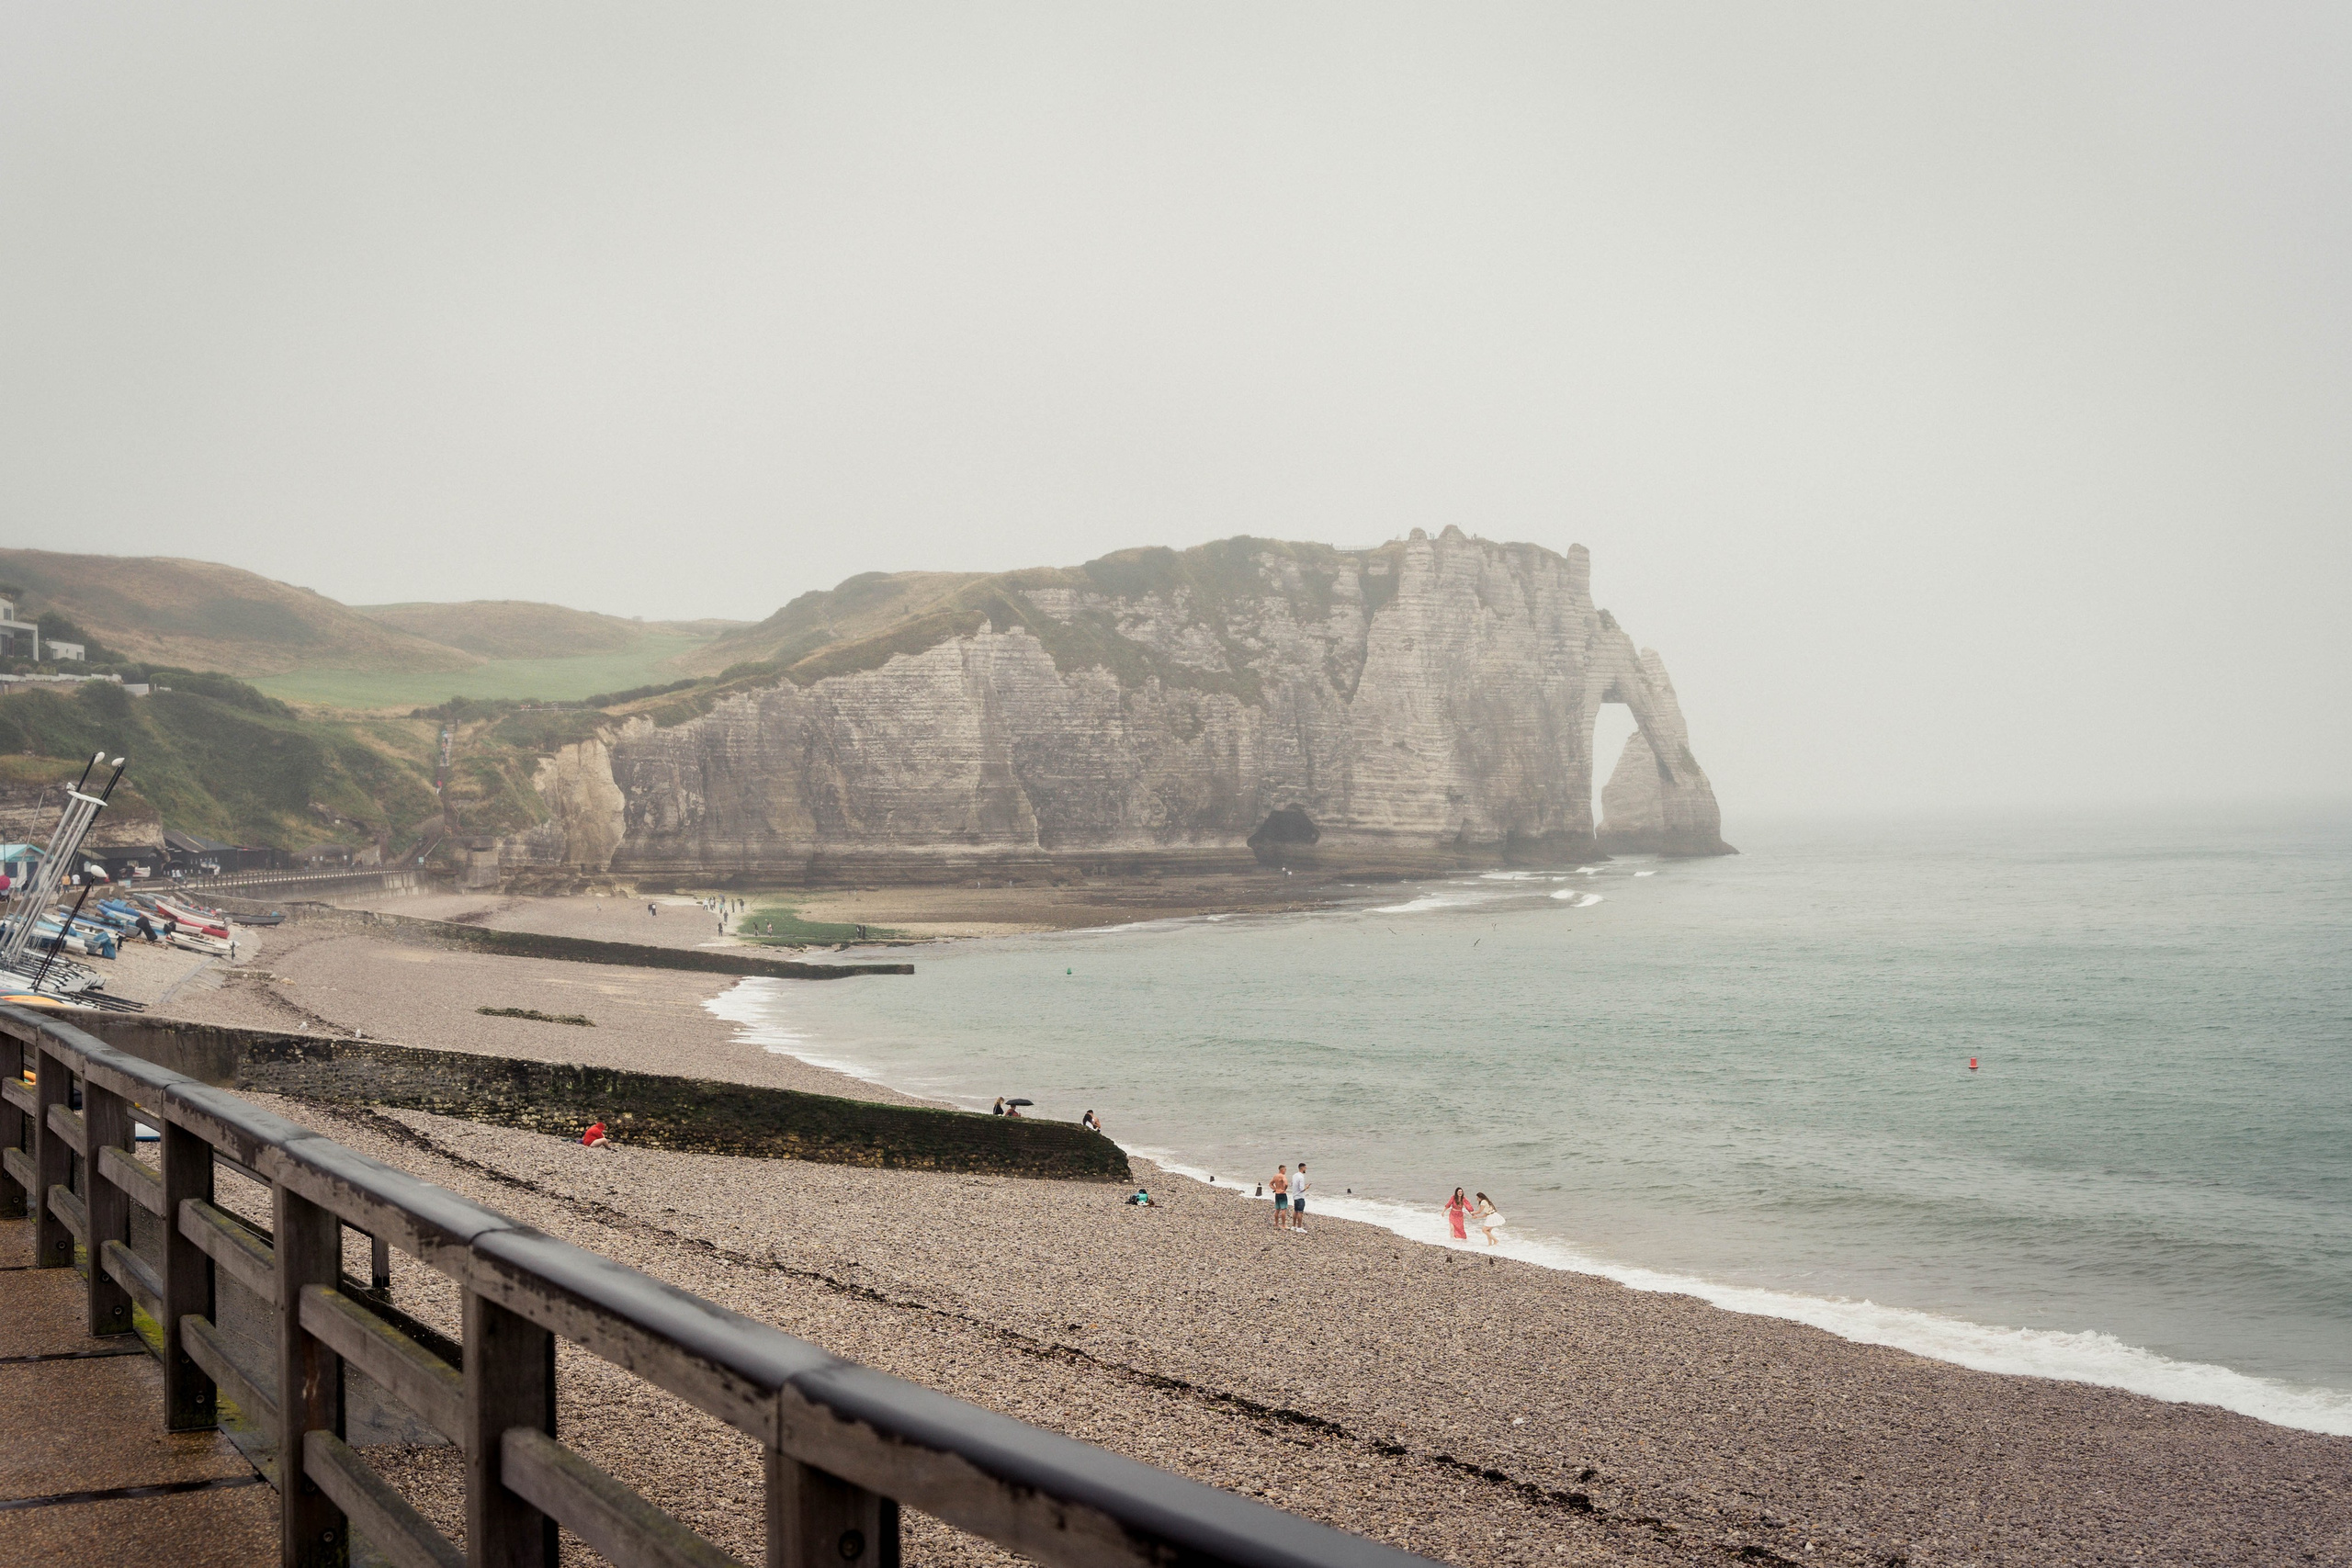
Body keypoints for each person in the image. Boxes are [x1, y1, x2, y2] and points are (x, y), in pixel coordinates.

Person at [1291, 1162, 1310, 1232]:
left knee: (1295, 1211)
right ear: (1302, 1168)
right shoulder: (1301, 1177)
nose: (1306, 1169)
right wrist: (1307, 1187)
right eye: (1305, 1168)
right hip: (1300, 1196)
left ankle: (1293, 1226)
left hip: (1295, 1196)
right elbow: (1302, 1189)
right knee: (1300, 1212)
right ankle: (1299, 1227)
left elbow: (1292, 1184)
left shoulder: (1294, 1175)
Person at [1271, 1164, 1291, 1229]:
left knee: (1277, 1209)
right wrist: (1284, 1189)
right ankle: (1284, 1225)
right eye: (1285, 1169)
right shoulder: (1283, 1176)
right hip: (1282, 1193)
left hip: (1277, 1193)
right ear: (1282, 1170)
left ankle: (1276, 1223)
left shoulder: (1275, 1176)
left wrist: (1275, 1189)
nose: (1285, 1171)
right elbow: (1286, 1184)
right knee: (1283, 1209)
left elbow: (1270, 1184)